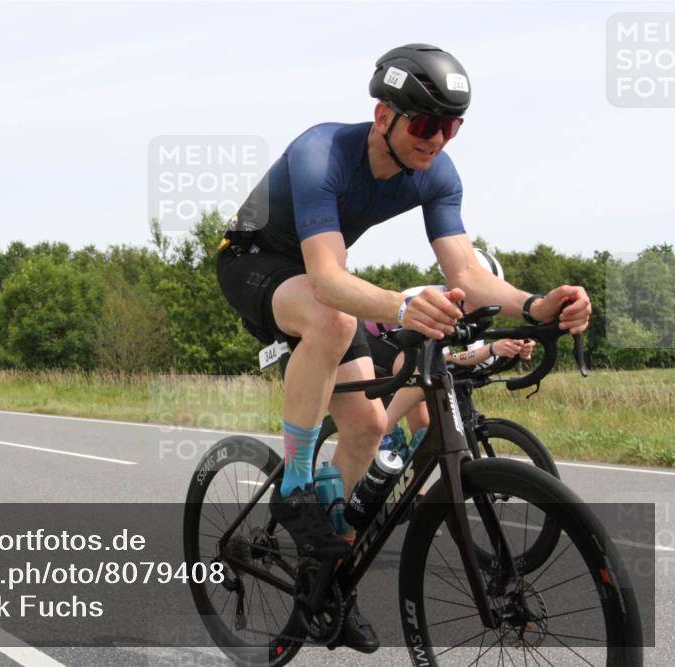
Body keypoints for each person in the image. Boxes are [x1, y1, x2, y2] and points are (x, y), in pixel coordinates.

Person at [215, 43, 591, 651]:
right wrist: (401, 304)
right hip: (256, 261)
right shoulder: (321, 152)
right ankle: (295, 486)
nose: (437, 139)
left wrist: (537, 304)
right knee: (334, 320)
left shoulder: (437, 174)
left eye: (451, 126)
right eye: (424, 123)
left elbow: (467, 275)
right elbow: (328, 278)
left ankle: (324, 581)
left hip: (325, 282)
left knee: (365, 427)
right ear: (384, 115)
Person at [366, 247, 535, 437]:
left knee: (423, 429)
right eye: (480, 295)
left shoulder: (470, 311)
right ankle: (378, 433)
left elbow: (479, 360)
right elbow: (448, 358)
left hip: (407, 345)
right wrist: (493, 348)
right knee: (422, 373)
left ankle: (412, 461)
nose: (485, 301)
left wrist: (512, 350)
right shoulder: (437, 300)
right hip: (376, 340)